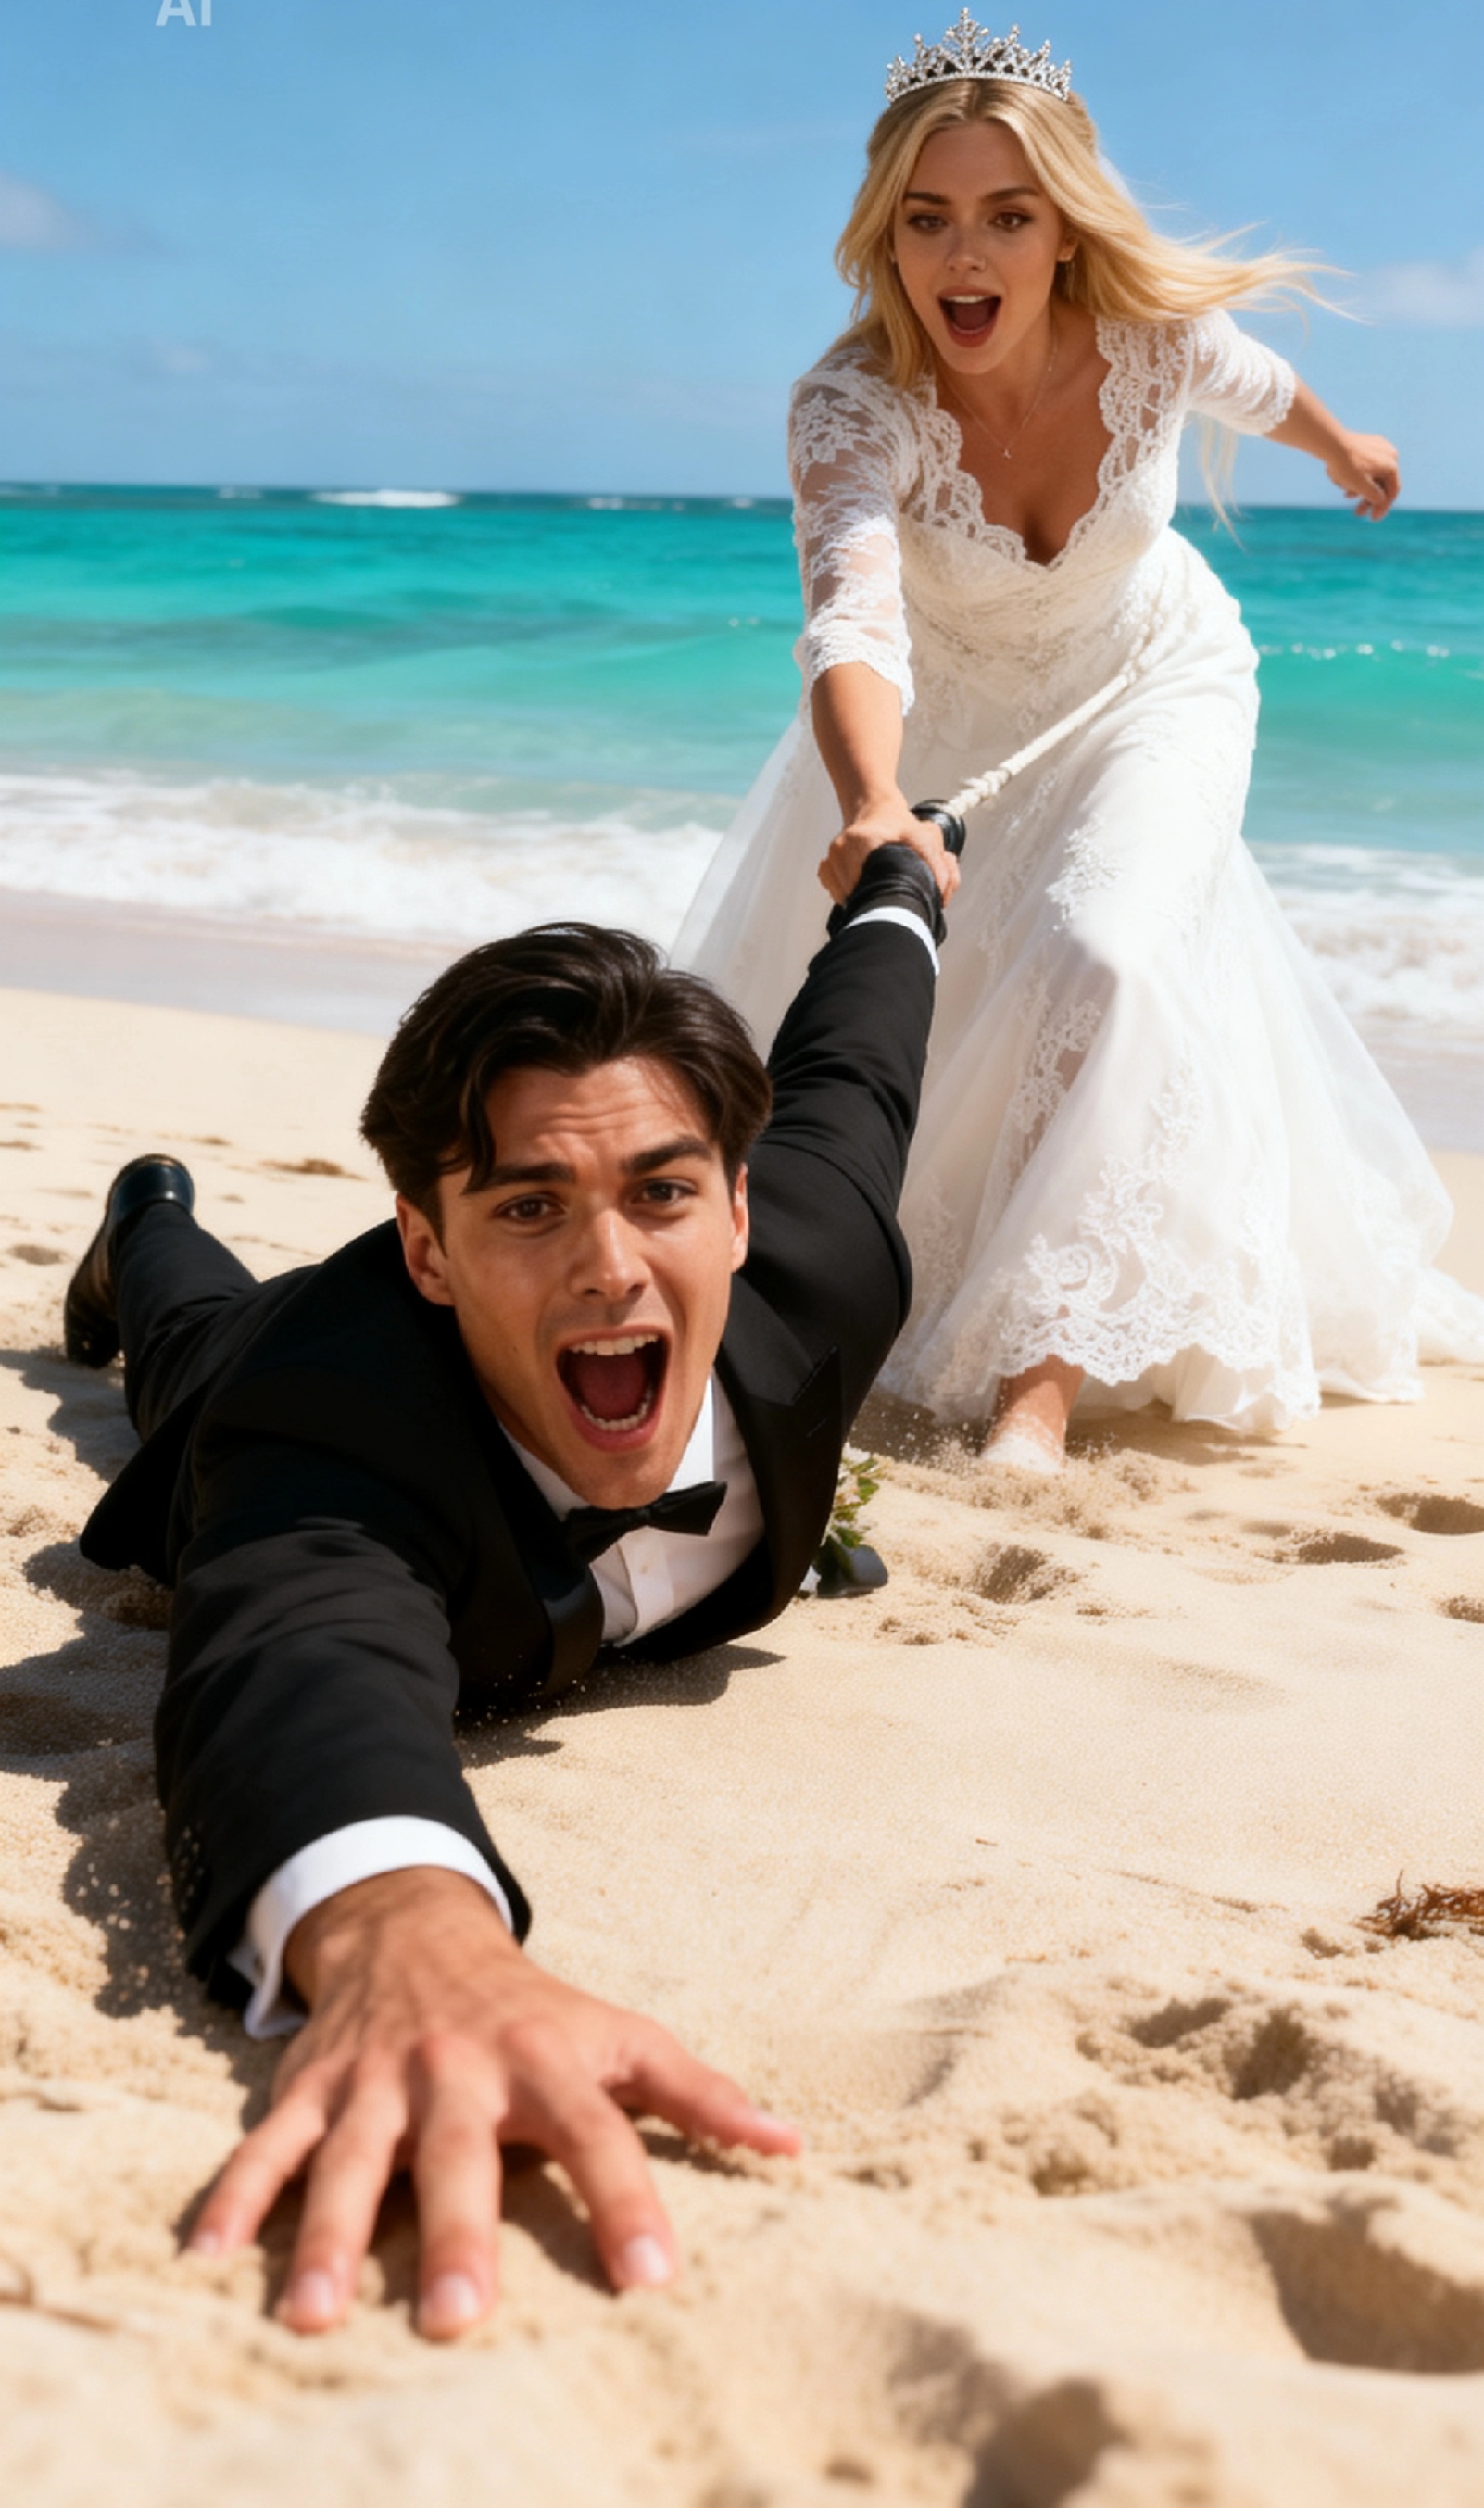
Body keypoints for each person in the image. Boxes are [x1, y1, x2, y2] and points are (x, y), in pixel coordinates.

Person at [62, 846, 944, 2340]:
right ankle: (141, 1220)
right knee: (189, 1327)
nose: (612, 1266)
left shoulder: (828, 1258)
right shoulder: (323, 1426)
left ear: (738, 1209)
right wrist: (403, 1930)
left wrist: (899, 889)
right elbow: (297, 1655)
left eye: (661, 1192)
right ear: (428, 1243)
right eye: (530, 1207)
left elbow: (859, 1061)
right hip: (266, 1355)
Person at [677, 10, 1484, 1469]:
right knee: (972, 1014)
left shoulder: (1154, 342)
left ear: (1063, 230)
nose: (962, 257)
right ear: (883, 232)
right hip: (946, 726)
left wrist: (1348, 448)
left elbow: (1262, 389)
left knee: (1103, 953)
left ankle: (1033, 1390)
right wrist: (872, 801)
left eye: (1006, 215)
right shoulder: (850, 408)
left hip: (1155, 678)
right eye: (925, 218)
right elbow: (853, 616)